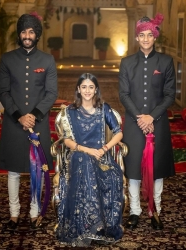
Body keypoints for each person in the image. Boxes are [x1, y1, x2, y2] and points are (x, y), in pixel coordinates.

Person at [0, 12, 58, 231]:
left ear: (37, 34)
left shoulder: (47, 60)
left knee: (37, 170)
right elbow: (2, 91)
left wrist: (33, 115)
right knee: (13, 170)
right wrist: (18, 116)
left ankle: (34, 212)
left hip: (38, 124)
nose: (27, 35)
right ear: (19, 34)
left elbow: (51, 93)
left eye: (31, 31)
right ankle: (14, 214)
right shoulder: (7, 58)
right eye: (24, 31)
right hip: (14, 123)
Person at [119, 13, 176, 230]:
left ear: (155, 37)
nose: (145, 39)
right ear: (137, 38)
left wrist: (152, 116)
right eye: (141, 35)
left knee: (157, 169)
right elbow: (123, 95)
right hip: (134, 124)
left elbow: (169, 94)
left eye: (149, 35)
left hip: (158, 123)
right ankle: (135, 211)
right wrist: (140, 118)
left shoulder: (165, 61)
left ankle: (155, 211)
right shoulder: (126, 63)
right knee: (133, 168)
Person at [56, 73, 124, 247]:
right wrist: (88, 150)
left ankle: (93, 227)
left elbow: (118, 133)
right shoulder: (70, 111)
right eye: (84, 87)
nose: (87, 90)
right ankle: (90, 228)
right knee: (85, 162)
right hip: (79, 154)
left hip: (102, 156)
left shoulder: (104, 109)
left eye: (91, 87)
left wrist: (103, 149)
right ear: (78, 89)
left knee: (103, 171)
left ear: (96, 90)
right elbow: (67, 140)